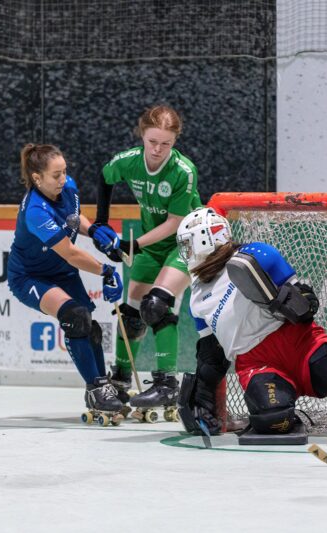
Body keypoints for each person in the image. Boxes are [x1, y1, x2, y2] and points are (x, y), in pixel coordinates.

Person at [174, 207, 327, 436]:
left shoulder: (256, 255)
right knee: (272, 420)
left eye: (187, 244)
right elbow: (211, 354)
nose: (185, 252)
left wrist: (301, 302)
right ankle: (284, 408)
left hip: (302, 346)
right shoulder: (197, 296)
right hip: (257, 365)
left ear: (205, 238)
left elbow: (303, 298)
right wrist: (203, 398)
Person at [88, 105, 203, 421]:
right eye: (153, 141)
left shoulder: (183, 171)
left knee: (156, 306)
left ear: (175, 141)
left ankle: (167, 382)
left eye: (166, 143)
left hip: (188, 241)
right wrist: (100, 221)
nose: (157, 150)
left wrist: (132, 244)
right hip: (153, 246)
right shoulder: (129, 162)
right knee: (131, 313)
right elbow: (105, 175)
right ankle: (121, 380)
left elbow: (176, 222)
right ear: (142, 135)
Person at [7, 144, 124, 422]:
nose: (63, 179)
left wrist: (92, 228)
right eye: (56, 175)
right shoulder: (35, 211)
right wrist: (105, 270)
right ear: (37, 178)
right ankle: (97, 389)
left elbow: (73, 217)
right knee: (75, 316)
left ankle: (101, 385)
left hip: (60, 271)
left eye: (64, 172)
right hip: (30, 276)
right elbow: (70, 253)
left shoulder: (67, 187)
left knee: (90, 327)